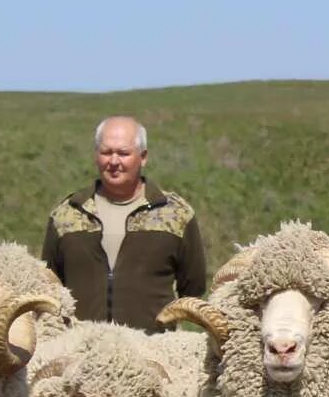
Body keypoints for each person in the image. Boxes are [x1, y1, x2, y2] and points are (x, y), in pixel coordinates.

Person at [40, 116, 207, 330]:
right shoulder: (66, 215)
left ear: (143, 157)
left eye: (124, 153)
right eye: (106, 152)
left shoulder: (176, 214)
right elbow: (49, 288)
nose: (114, 161)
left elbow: (193, 288)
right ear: (96, 155)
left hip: (153, 354)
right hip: (81, 352)